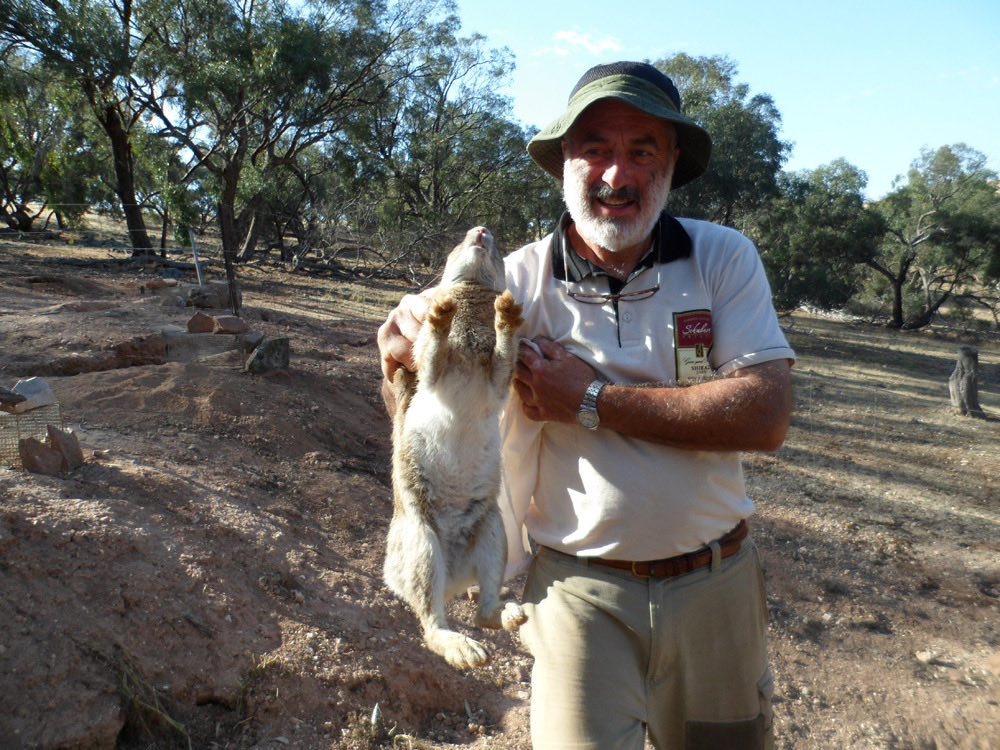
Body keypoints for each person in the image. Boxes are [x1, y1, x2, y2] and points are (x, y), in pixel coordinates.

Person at [377, 60, 794, 750]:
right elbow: (430, 408)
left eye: (642, 150)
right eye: (595, 147)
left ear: (672, 163)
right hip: (575, 591)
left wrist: (591, 399)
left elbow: (765, 414)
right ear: (563, 160)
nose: (616, 174)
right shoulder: (515, 282)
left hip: (715, 583)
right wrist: (397, 357)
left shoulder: (722, 258)